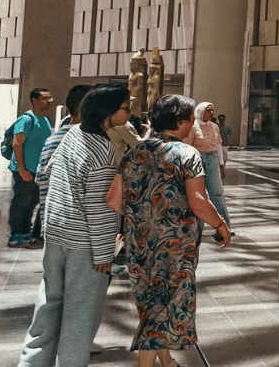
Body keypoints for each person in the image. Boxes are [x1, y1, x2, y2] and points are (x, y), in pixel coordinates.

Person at [109, 94, 232, 367]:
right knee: (162, 305)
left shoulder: (135, 152)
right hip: (176, 245)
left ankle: (167, 363)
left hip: (139, 241)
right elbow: (199, 202)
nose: (192, 123)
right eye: (190, 118)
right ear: (180, 121)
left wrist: (144, 218)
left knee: (152, 302)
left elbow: (114, 200)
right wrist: (221, 225)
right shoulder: (188, 154)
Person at [17, 84, 128, 367]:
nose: (130, 112)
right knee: (80, 318)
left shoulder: (70, 135)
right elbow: (99, 206)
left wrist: (49, 224)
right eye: (125, 108)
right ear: (108, 112)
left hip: (56, 235)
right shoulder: (102, 148)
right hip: (85, 245)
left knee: (48, 308)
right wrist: (105, 253)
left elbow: (46, 176)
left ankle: (30, 363)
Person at [35, 86, 94, 245]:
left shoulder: (52, 140)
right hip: (82, 233)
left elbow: (40, 179)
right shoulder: (93, 142)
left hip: (53, 226)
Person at [8, 88, 56, 248]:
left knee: (32, 202)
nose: (49, 101)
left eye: (50, 98)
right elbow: (17, 143)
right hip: (24, 169)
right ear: (34, 100)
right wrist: (22, 169)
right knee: (21, 202)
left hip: (37, 171)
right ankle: (15, 234)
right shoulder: (26, 119)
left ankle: (25, 231)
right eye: (45, 98)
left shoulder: (46, 120)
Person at [180, 101, 231, 230]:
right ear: (201, 111)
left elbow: (218, 146)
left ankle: (225, 226)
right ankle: (198, 227)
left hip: (213, 160)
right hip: (198, 160)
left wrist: (221, 165)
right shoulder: (193, 127)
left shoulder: (214, 127)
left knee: (218, 194)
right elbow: (188, 147)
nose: (211, 113)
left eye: (212, 110)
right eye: (208, 110)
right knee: (199, 194)